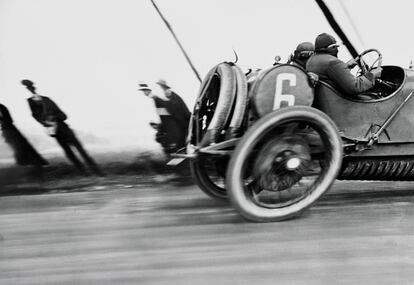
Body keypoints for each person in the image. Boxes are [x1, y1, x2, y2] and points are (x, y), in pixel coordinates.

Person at [21, 79, 104, 176]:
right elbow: (35, 116)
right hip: (55, 131)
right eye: (29, 88)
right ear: (27, 89)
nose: (31, 89)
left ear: (34, 87)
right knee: (69, 153)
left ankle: (97, 172)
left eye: (32, 87)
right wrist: (45, 122)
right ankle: (84, 173)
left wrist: (55, 117)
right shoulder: (30, 101)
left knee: (81, 150)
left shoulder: (47, 99)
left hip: (65, 128)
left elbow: (63, 115)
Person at [306, 33, 382, 96]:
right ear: (332, 47)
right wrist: (372, 75)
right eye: (336, 47)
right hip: (341, 104)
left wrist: (346, 66)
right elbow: (355, 87)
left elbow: (330, 75)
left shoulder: (311, 60)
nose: (337, 50)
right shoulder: (333, 62)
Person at [138, 82, 188, 154]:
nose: (144, 93)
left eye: (145, 91)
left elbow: (172, 115)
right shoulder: (160, 101)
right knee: (161, 137)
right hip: (175, 128)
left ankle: (180, 149)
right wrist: (159, 126)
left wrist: (160, 127)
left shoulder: (166, 99)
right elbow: (166, 118)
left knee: (165, 138)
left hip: (178, 129)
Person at [0, 103, 48, 167]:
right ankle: (32, 163)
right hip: (8, 128)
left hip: (8, 128)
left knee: (18, 146)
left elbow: (5, 119)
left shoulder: (1, 107)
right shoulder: (2, 107)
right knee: (20, 145)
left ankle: (27, 163)